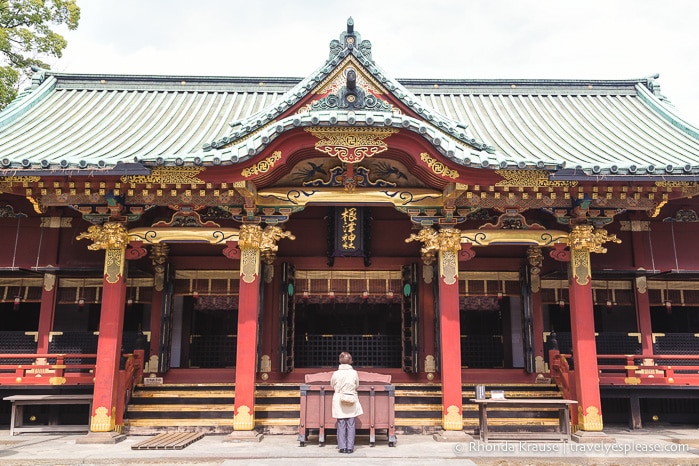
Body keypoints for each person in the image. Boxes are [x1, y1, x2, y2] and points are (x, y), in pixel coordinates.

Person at [330, 351, 363, 453]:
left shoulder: (336, 373)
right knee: (351, 423)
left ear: (340, 361)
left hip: (339, 398)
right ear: (350, 361)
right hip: (351, 398)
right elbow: (357, 384)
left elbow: (332, 384)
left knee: (341, 423)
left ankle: (342, 447)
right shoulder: (354, 373)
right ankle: (350, 447)